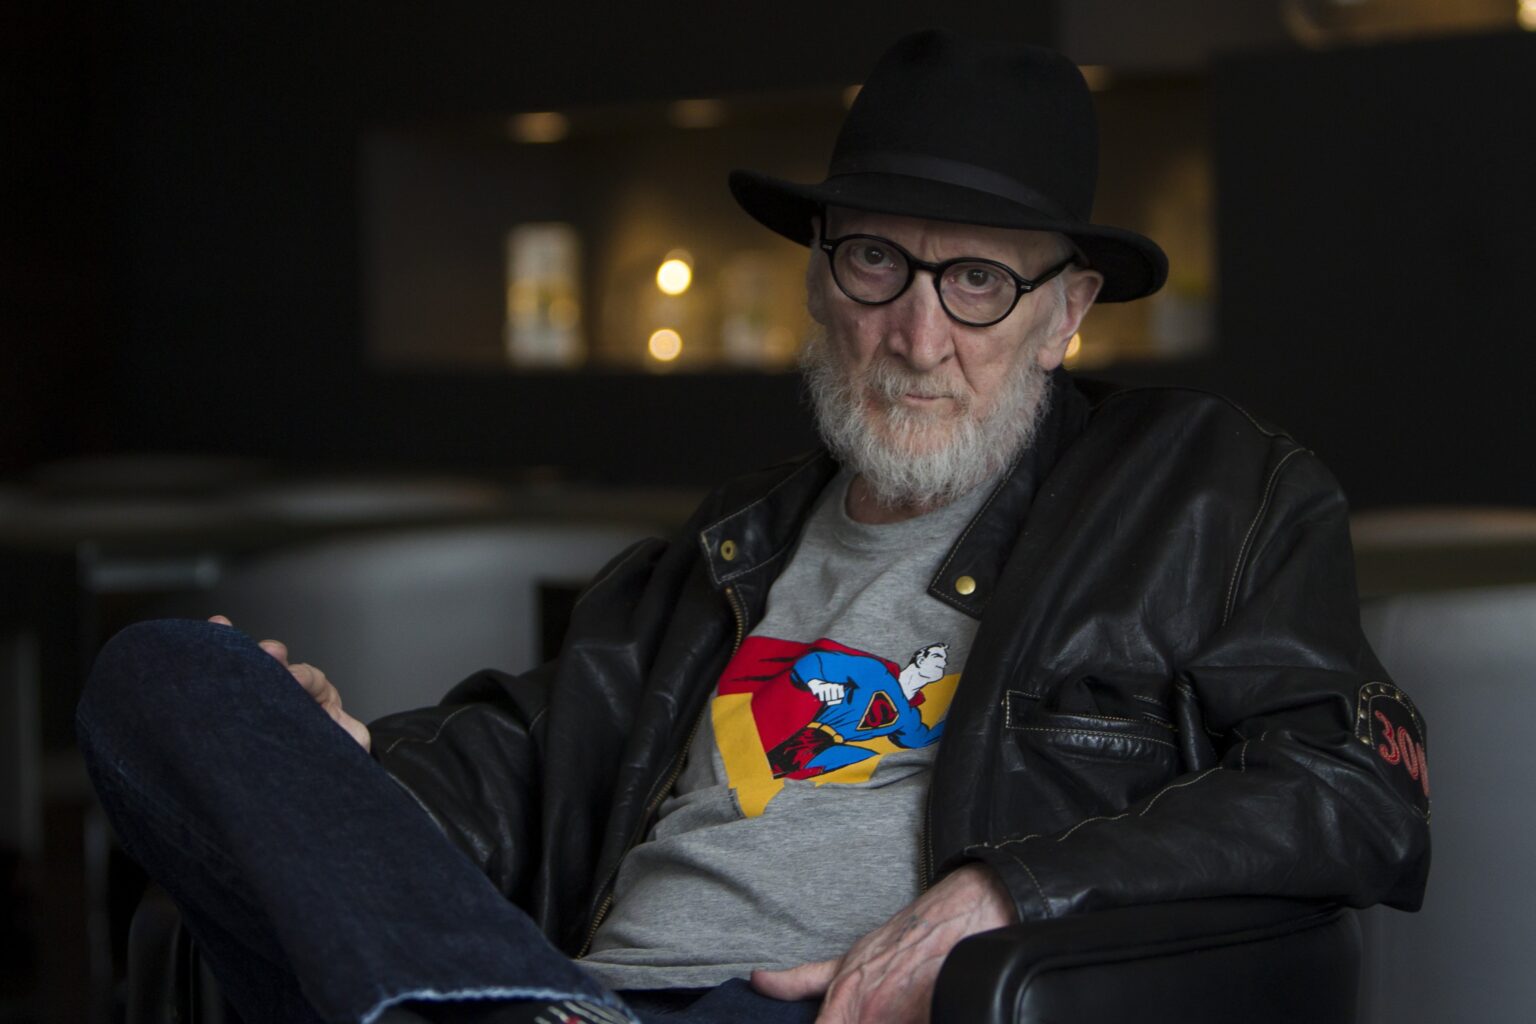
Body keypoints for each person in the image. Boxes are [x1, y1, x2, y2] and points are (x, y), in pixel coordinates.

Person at [76, 29, 1431, 1024]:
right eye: (876, 261)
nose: (916, 335)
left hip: (787, 1010)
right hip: (581, 989)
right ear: (821, 275)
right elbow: (523, 769)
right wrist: (339, 761)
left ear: (1066, 314)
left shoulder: (1203, 494)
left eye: (975, 280)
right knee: (168, 677)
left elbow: (1358, 791)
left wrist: (1009, 893)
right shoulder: (734, 544)